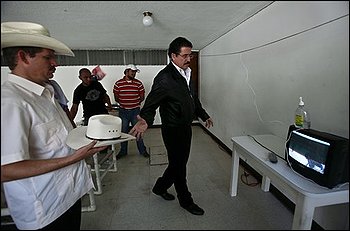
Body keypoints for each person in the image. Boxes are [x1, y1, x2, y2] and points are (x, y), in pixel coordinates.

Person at [1, 21, 107, 230]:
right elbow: (6, 169)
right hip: (45, 209)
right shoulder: (11, 102)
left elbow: (61, 136)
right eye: (47, 57)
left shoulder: (47, 92)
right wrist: (72, 159)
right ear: (23, 57)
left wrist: (85, 141)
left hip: (70, 194)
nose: (55, 63)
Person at [130, 37, 214, 216]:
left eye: (190, 55)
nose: (188, 59)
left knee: (178, 163)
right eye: (185, 55)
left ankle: (160, 187)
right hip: (173, 128)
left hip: (185, 126)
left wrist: (203, 114)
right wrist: (146, 119)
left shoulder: (187, 72)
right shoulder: (165, 78)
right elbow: (151, 103)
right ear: (173, 56)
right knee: (179, 166)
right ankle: (186, 200)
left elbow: (192, 98)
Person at [113, 64, 149, 159]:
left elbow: (142, 97)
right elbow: (116, 97)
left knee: (138, 131)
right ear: (126, 71)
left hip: (135, 112)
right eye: (132, 71)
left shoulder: (138, 84)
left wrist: (134, 103)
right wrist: (125, 103)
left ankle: (143, 151)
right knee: (123, 132)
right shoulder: (118, 84)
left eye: (135, 72)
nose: (134, 73)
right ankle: (123, 151)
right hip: (123, 111)